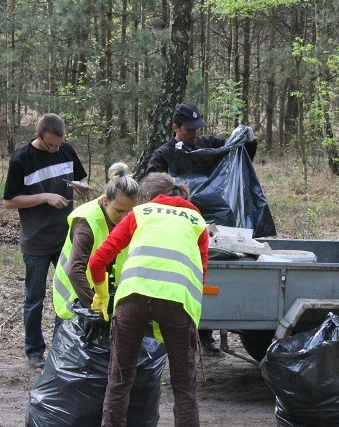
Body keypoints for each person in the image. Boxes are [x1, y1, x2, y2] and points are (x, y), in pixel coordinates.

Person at [88, 172, 209, 427]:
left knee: (119, 381)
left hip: (132, 297)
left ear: (147, 197)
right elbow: (201, 275)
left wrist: (101, 295)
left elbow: (98, 260)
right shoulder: (197, 221)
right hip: (177, 302)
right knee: (184, 387)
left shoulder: (140, 214)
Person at [146, 101, 258, 353]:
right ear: (175, 127)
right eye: (189, 129)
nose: (195, 134)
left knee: (211, 276)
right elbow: (153, 187)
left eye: (198, 128)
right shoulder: (163, 155)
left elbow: (239, 155)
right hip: (180, 224)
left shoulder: (209, 144)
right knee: (183, 277)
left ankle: (205, 333)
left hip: (217, 223)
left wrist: (247, 140)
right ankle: (179, 333)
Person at [3, 113, 87, 369]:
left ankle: (62, 346)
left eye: (59, 144)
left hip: (66, 238)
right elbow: (9, 201)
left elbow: (81, 178)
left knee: (68, 296)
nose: (56, 149)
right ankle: (34, 352)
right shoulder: (21, 159)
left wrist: (81, 186)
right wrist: (45, 197)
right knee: (35, 297)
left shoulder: (66, 150)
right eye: (51, 145)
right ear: (38, 136)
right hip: (36, 240)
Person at [52, 162, 139, 320]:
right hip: (75, 300)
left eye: (130, 212)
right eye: (119, 211)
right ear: (105, 200)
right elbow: (75, 270)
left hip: (107, 294)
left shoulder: (136, 218)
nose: (124, 218)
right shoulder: (86, 222)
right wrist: (96, 309)